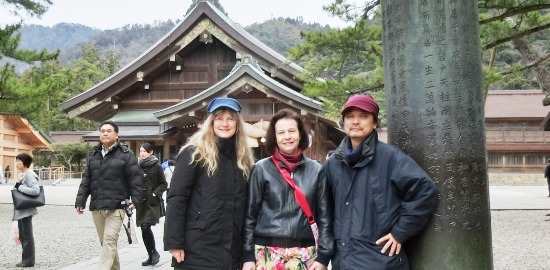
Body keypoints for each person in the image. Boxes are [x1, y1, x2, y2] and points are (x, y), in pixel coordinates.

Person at [323, 94, 439, 270]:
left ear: (375, 123)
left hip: (381, 260)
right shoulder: (333, 163)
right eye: (350, 117)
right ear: (343, 122)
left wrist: (400, 232)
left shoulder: (390, 157)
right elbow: (325, 209)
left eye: (363, 116)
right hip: (343, 260)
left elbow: (425, 190)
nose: (355, 121)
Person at [164, 97, 255, 269]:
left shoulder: (243, 158)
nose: (225, 124)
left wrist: (247, 251)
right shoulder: (194, 153)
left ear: (237, 124)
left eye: (230, 119)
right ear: (211, 122)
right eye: (219, 118)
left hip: (232, 247)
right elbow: (177, 197)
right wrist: (174, 242)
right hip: (198, 246)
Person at [242, 108, 334, 270]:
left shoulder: (316, 170)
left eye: (292, 131)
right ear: (275, 138)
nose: (287, 137)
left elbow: (325, 218)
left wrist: (324, 258)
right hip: (267, 253)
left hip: (305, 253)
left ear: (300, 135)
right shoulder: (261, 169)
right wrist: (248, 256)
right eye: (281, 132)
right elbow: (250, 216)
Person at [75, 120, 143, 270]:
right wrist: (80, 201)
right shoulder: (94, 155)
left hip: (117, 206)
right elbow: (86, 180)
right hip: (97, 206)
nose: (105, 133)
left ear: (116, 134)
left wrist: (136, 200)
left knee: (109, 241)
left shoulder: (127, 155)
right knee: (106, 243)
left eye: (109, 131)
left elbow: (136, 180)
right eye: (102, 131)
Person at [137, 142, 168, 266]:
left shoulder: (157, 166)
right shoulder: (136, 165)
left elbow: (164, 184)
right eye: (141, 151)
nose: (142, 153)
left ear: (151, 152)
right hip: (140, 201)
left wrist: (155, 193)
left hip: (152, 202)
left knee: (146, 226)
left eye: (145, 151)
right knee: (144, 230)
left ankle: (154, 253)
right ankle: (151, 254)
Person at [12, 153, 40, 268]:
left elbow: (35, 190)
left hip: (26, 209)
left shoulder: (29, 175)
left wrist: (19, 187)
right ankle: (26, 260)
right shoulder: (23, 174)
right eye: (16, 161)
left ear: (25, 162)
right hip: (22, 209)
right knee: (23, 235)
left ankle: (28, 261)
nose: (17, 163)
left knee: (26, 235)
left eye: (19, 161)